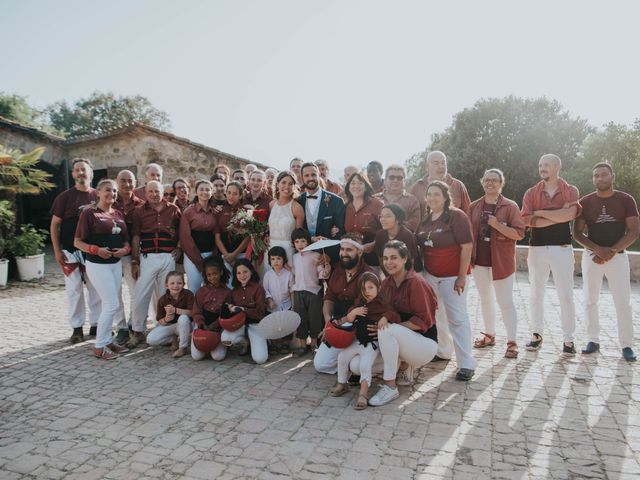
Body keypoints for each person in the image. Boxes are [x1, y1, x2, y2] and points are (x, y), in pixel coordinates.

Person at [574, 163, 640, 361]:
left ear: (612, 176)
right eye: (596, 176)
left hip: (618, 257)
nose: (599, 178)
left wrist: (611, 251)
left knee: (623, 302)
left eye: (603, 175)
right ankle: (592, 340)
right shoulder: (585, 202)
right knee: (589, 299)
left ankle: (627, 345)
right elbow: (576, 233)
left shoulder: (625, 200)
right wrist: (597, 249)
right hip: (592, 257)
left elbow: (634, 231)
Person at [416, 181, 477, 381]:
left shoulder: (456, 216)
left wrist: (461, 276)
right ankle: (443, 351)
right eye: (429, 194)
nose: (432, 198)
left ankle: (466, 363)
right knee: (436, 315)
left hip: (453, 276)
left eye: (436, 194)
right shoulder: (425, 221)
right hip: (431, 276)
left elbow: (466, 246)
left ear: (445, 196)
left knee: (457, 319)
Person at [521, 154, 581, 354]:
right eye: (540, 165)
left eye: (546, 165)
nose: (542, 168)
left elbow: (570, 215)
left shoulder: (570, 190)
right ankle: (536, 335)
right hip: (536, 248)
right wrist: (557, 215)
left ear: (557, 166)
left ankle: (568, 341)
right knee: (536, 293)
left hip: (562, 247)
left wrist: (540, 212)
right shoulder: (531, 192)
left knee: (566, 294)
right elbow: (527, 220)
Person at [367, 241, 439, 406]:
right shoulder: (386, 284)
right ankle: (403, 365)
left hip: (425, 345)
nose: (388, 262)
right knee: (358, 366)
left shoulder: (416, 282)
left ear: (405, 258)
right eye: (385, 258)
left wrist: (389, 326)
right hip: (403, 340)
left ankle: (390, 386)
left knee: (387, 330)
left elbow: (423, 322)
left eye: (394, 257)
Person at [468, 169, 525, 358]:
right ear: (482, 182)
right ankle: (489, 334)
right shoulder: (474, 206)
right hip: (479, 262)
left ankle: (512, 342)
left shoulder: (510, 206)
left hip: (502, 262)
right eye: (487, 180)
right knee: (485, 299)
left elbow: (519, 234)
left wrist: (497, 225)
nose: (490, 183)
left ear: (501, 183)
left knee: (505, 302)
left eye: (494, 180)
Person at [74, 179, 131, 360]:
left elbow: (126, 241)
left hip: (115, 265)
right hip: (98, 265)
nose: (111, 194)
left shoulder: (118, 214)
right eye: (107, 190)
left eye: (114, 191)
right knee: (111, 304)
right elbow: (77, 242)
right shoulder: (89, 213)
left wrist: (125, 250)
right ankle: (99, 347)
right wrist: (96, 250)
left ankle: (107, 341)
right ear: (97, 192)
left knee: (113, 304)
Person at [330, 272, 400, 410]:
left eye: (370, 287)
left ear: (378, 288)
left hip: (371, 343)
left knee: (364, 365)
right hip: (357, 341)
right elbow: (349, 316)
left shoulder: (381, 304)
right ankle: (342, 383)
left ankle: (363, 394)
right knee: (342, 357)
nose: (367, 291)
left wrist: (385, 317)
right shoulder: (359, 303)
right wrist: (353, 312)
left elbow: (394, 314)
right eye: (363, 289)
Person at [50, 158, 100, 344]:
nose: (81, 173)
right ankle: (77, 327)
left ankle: (96, 323)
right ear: (73, 174)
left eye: (84, 170)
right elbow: (55, 225)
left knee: (96, 287)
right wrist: (56, 251)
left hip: (92, 250)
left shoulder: (97, 195)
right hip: (70, 251)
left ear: (91, 173)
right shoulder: (64, 197)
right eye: (77, 170)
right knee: (74, 289)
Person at [128, 181, 182, 348]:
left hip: (167, 256)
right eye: (150, 191)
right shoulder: (139, 211)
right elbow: (136, 236)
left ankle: (165, 330)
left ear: (162, 192)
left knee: (165, 295)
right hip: (147, 256)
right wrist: (135, 260)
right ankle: (137, 331)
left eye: (157, 191)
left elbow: (182, 231)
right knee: (140, 294)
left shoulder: (173, 209)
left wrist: (179, 247)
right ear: (145, 193)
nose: (153, 194)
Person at [314, 233, 372, 374]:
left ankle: (352, 363)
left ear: (359, 251)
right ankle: (344, 361)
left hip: (357, 327)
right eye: (342, 249)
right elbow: (329, 297)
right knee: (320, 365)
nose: (344, 253)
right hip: (338, 324)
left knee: (356, 367)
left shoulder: (367, 275)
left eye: (349, 250)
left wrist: (336, 324)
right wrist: (328, 321)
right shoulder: (338, 270)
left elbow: (360, 309)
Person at [112, 169, 145, 345]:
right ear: (117, 182)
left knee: (136, 291)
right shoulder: (109, 202)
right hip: (112, 255)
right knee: (115, 292)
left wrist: (135, 259)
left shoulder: (140, 204)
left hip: (132, 255)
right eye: (123, 180)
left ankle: (134, 323)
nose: (127, 184)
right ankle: (122, 327)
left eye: (130, 181)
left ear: (135, 182)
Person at [290, 228, 329, 356]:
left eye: (303, 241)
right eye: (297, 242)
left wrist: (326, 271)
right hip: (299, 291)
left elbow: (320, 273)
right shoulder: (294, 257)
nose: (300, 244)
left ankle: (313, 344)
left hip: (313, 291)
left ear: (308, 242)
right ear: (293, 244)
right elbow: (294, 273)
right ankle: (302, 345)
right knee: (300, 318)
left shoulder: (315, 255)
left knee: (314, 318)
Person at [297, 162, 345, 261]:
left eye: (313, 174)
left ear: (319, 175)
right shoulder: (298, 201)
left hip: (328, 256)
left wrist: (329, 255)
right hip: (303, 255)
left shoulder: (336, 201)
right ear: (302, 178)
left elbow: (341, 233)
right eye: (306, 175)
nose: (310, 178)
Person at [180, 180, 217, 294]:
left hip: (211, 254)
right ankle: (194, 311)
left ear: (212, 192)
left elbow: (217, 234)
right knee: (194, 286)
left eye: (207, 189)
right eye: (201, 189)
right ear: (196, 192)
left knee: (212, 287)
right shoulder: (188, 212)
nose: (204, 192)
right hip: (193, 256)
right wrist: (198, 260)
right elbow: (185, 238)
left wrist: (214, 256)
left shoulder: (215, 211)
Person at [146, 271, 194, 358]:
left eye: (179, 283)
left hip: (186, 325)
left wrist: (175, 310)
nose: (175, 286)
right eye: (172, 283)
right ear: (166, 285)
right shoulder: (162, 300)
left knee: (183, 318)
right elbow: (160, 321)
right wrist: (167, 318)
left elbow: (192, 313)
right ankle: (173, 339)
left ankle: (183, 347)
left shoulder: (188, 294)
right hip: (170, 326)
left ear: (183, 284)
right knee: (151, 339)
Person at [191, 256, 231, 361]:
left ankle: (222, 342)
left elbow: (226, 315)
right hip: (202, 325)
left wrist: (214, 325)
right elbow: (196, 311)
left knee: (217, 357)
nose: (212, 277)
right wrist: (202, 324)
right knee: (197, 357)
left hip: (217, 326)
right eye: (209, 275)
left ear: (221, 272)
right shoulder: (201, 291)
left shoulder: (227, 293)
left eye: (215, 274)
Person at [225, 259, 266, 357]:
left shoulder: (258, 288)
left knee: (260, 358)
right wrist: (229, 307)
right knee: (225, 338)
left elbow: (261, 313)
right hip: (240, 325)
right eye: (238, 273)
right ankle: (245, 342)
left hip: (255, 325)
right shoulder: (234, 291)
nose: (242, 276)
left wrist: (243, 309)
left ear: (251, 271)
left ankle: (260, 342)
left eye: (245, 272)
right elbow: (227, 306)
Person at [410, 151, 470, 215]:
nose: (441, 166)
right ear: (427, 167)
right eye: (436, 163)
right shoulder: (417, 188)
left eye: (443, 163)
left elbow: (469, 214)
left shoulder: (458, 185)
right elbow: (410, 216)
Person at [344, 172, 384, 267]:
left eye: (360, 183)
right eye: (353, 183)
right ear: (349, 187)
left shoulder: (378, 205)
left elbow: (387, 230)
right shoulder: (345, 207)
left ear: (366, 186)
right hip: (352, 258)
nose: (356, 186)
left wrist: (374, 244)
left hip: (373, 257)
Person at [215, 181, 251, 282]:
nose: (231, 196)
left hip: (242, 254)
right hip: (224, 255)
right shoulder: (220, 210)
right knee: (228, 284)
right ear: (225, 193)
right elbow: (217, 237)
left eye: (235, 194)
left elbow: (248, 237)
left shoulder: (246, 211)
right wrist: (227, 255)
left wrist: (234, 254)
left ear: (240, 195)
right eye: (229, 192)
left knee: (242, 283)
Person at [262, 246, 294, 354]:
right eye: (273, 259)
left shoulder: (288, 274)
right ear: (269, 261)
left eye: (278, 259)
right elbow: (266, 290)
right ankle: (274, 344)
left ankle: (286, 343)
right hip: (273, 305)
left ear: (284, 259)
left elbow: (291, 291)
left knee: (286, 325)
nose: (276, 261)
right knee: (273, 325)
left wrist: (293, 305)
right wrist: (269, 299)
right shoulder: (268, 275)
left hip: (286, 304)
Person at [374, 204, 422, 274]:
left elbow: (412, 262)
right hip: (391, 273)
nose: (383, 219)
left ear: (398, 219)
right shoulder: (380, 235)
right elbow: (381, 259)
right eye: (381, 216)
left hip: (412, 273)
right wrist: (389, 277)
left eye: (388, 216)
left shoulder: (407, 236)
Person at [268, 171, 305, 263]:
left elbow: (298, 236)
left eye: (290, 184)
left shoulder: (297, 207)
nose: (287, 186)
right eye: (283, 182)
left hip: (288, 251)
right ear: (277, 184)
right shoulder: (271, 204)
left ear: (294, 187)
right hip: (270, 248)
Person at [375, 165, 422, 232]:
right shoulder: (374, 199)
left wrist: (392, 230)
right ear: (385, 180)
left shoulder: (412, 201)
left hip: (403, 240)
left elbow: (414, 225)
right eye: (391, 177)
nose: (395, 180)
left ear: (404, 181)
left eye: (399, 178)